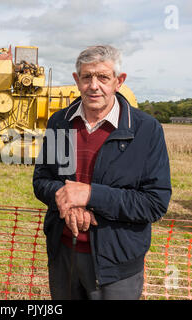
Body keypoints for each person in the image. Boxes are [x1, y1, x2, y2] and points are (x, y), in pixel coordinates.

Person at [33, 45, 172, 300]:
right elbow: (42, 180)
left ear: (119, 81)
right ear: (77, 80)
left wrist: (89, 195)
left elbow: (154, 203)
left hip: (117, 266)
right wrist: (68, 200)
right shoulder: (59, 123)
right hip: (65, 254)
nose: (94, 85)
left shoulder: (146, 130)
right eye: (87, 77)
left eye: (103, 77)